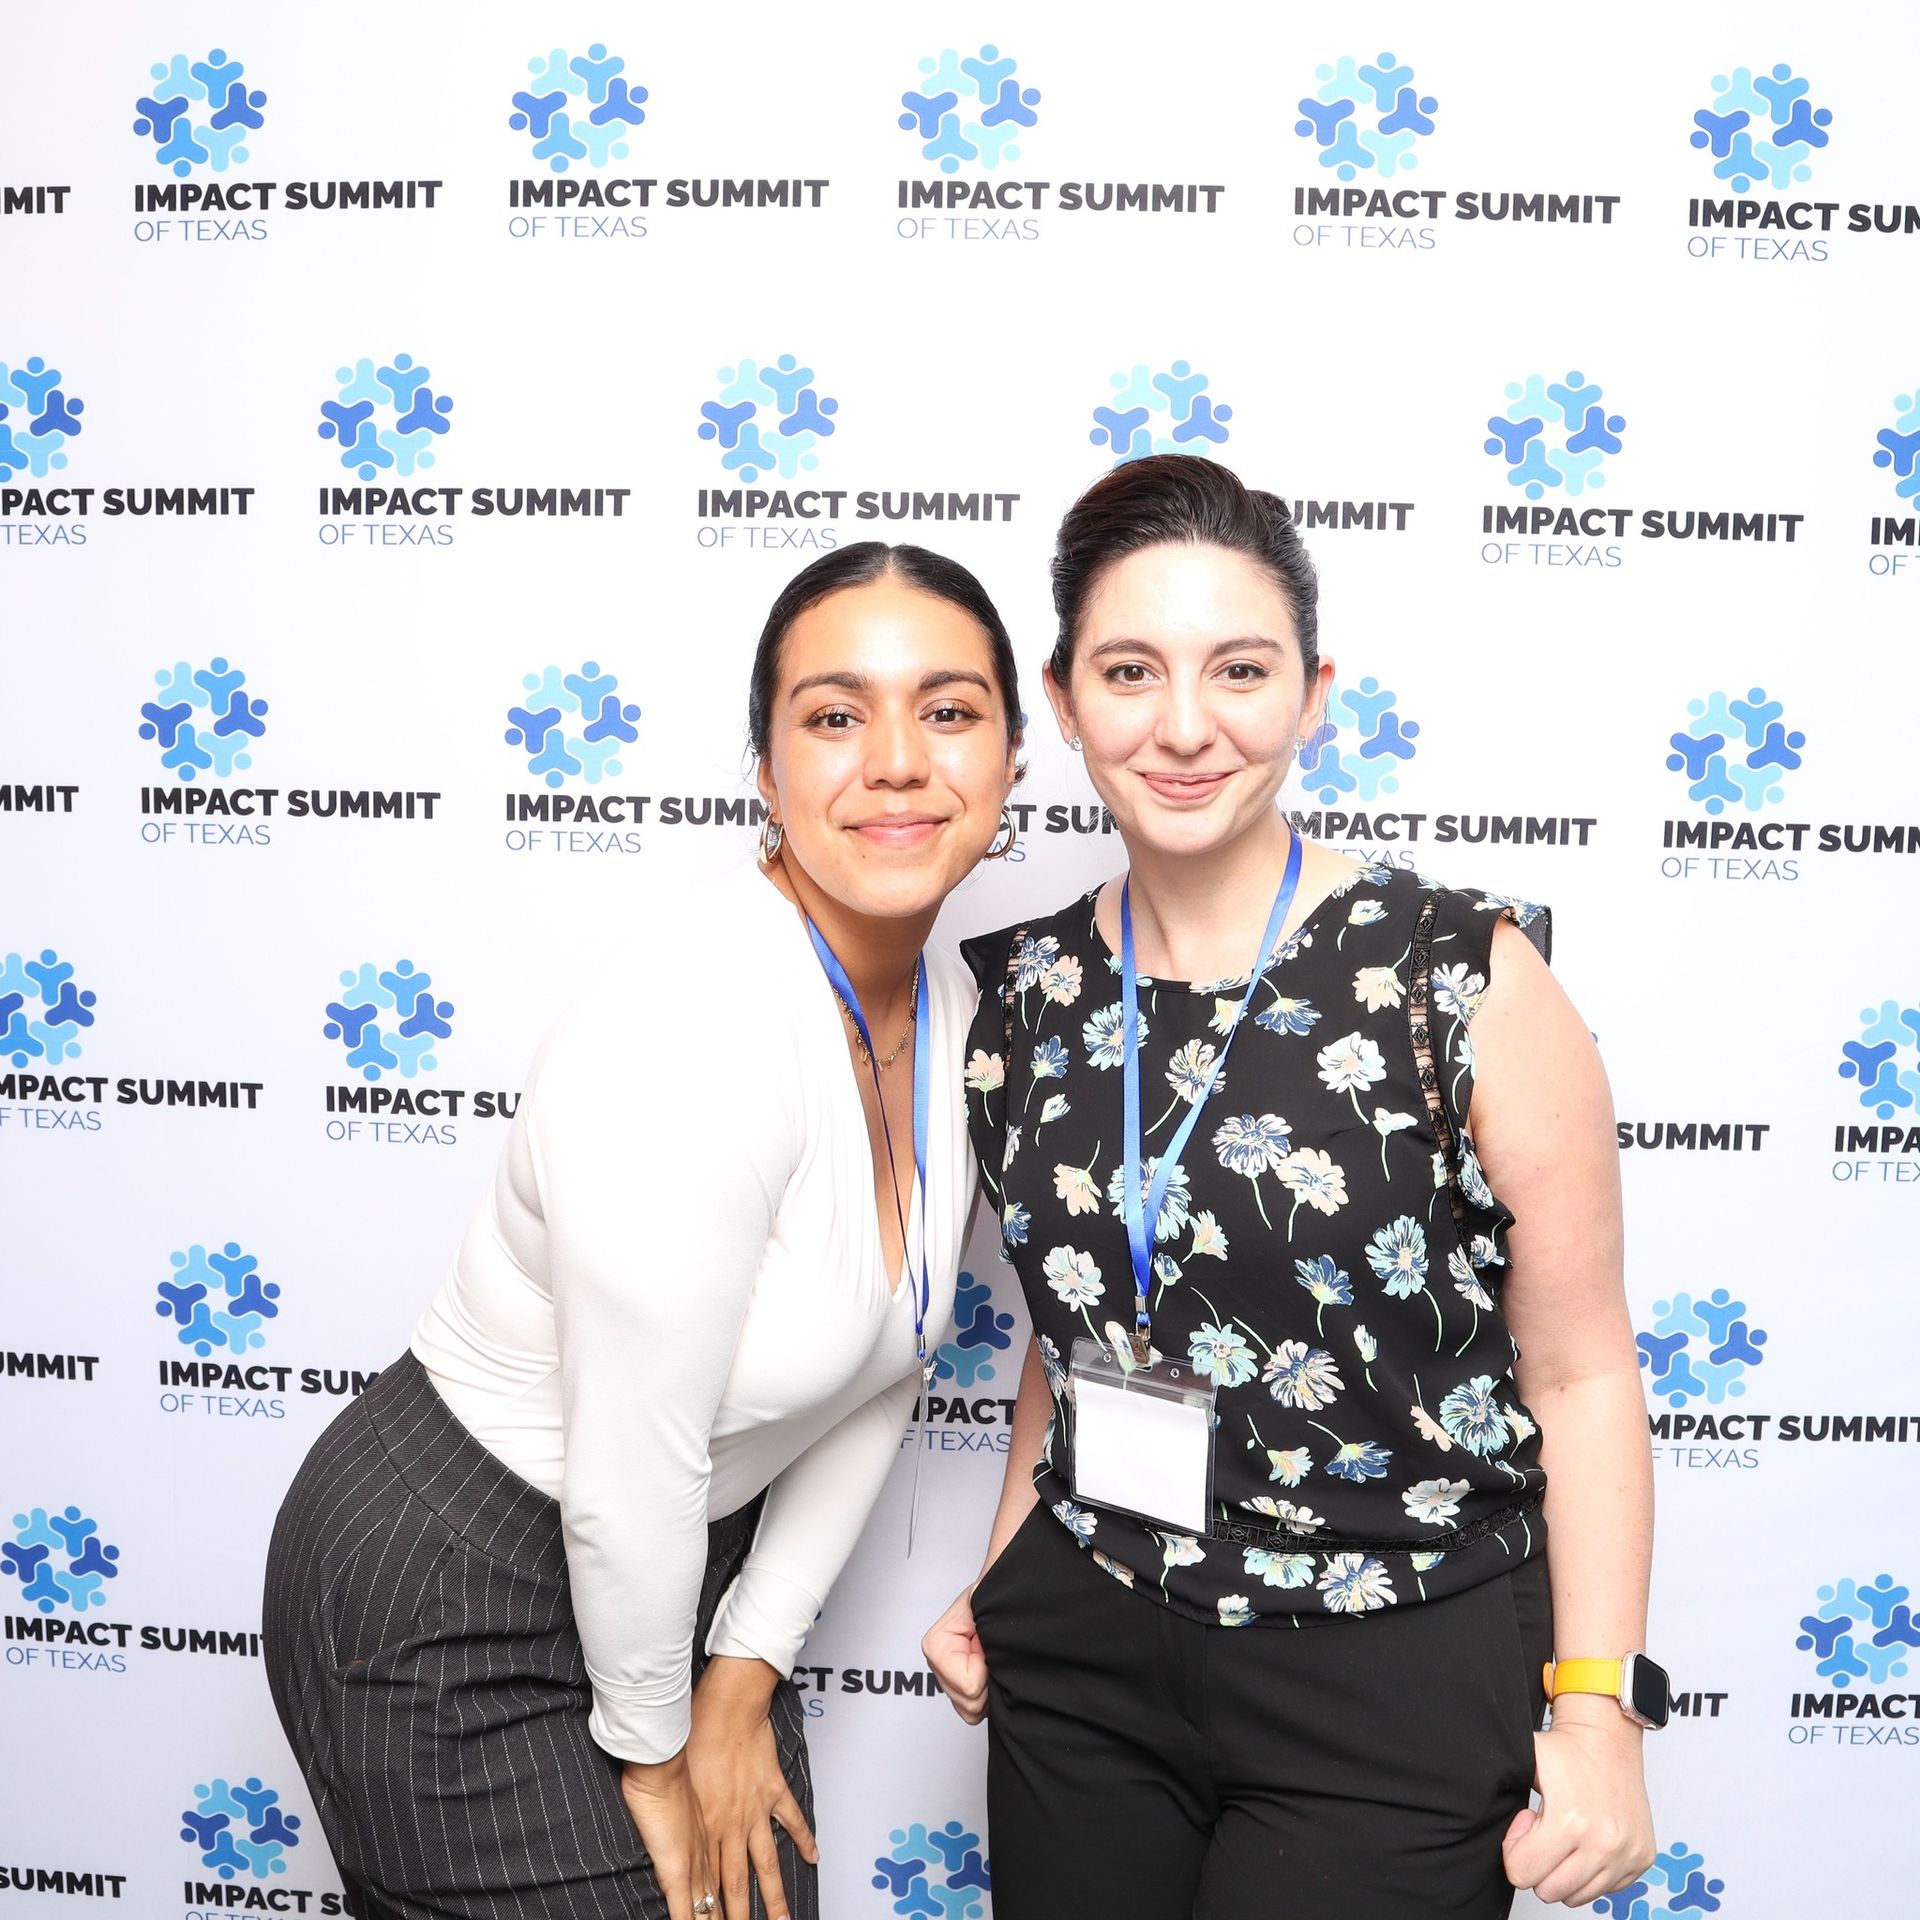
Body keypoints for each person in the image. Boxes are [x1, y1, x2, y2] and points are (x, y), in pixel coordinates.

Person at [924, 456, 1657, 1917]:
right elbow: (1079, 1324)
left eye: (1240, 670)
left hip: (1390, 1658)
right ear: (1062, 701)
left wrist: (1601, 1715)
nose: (1185, 726)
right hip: (1089, 1646)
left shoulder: (1458, 977)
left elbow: (1580, 1373)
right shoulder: (1021, 993)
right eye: (1129, 672)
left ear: (1315, 695)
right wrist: (1007, 1569)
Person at [263, 542, 1023, 1920]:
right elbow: (628, 1468)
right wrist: (659, 1754)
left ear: (1013, 758)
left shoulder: (955, 1012)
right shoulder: (696, 1024)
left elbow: (888, 1365)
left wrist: (747, 1667)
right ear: (765, 772)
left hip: (677, 1572)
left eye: (950, 710)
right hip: (461, 1580)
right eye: (836, 715)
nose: (898, 761)